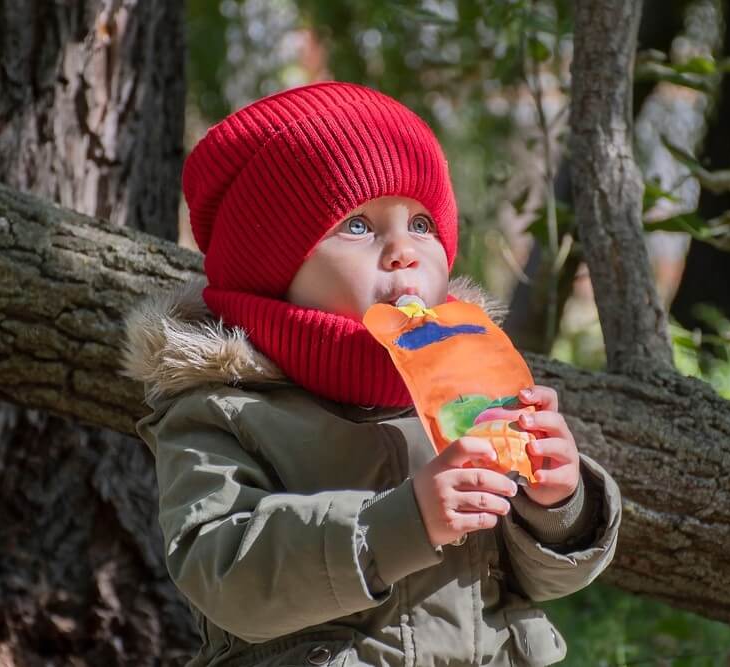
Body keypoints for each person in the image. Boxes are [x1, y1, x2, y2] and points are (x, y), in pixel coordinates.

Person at [121, 81, 620, 667]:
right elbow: (222, 572)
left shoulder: (469, 385)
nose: (402, 250)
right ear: (274, 269)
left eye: (422, 223)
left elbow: (539, 582)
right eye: (357, 225)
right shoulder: (224, 411)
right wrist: (400, 524)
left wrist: (558, 506)